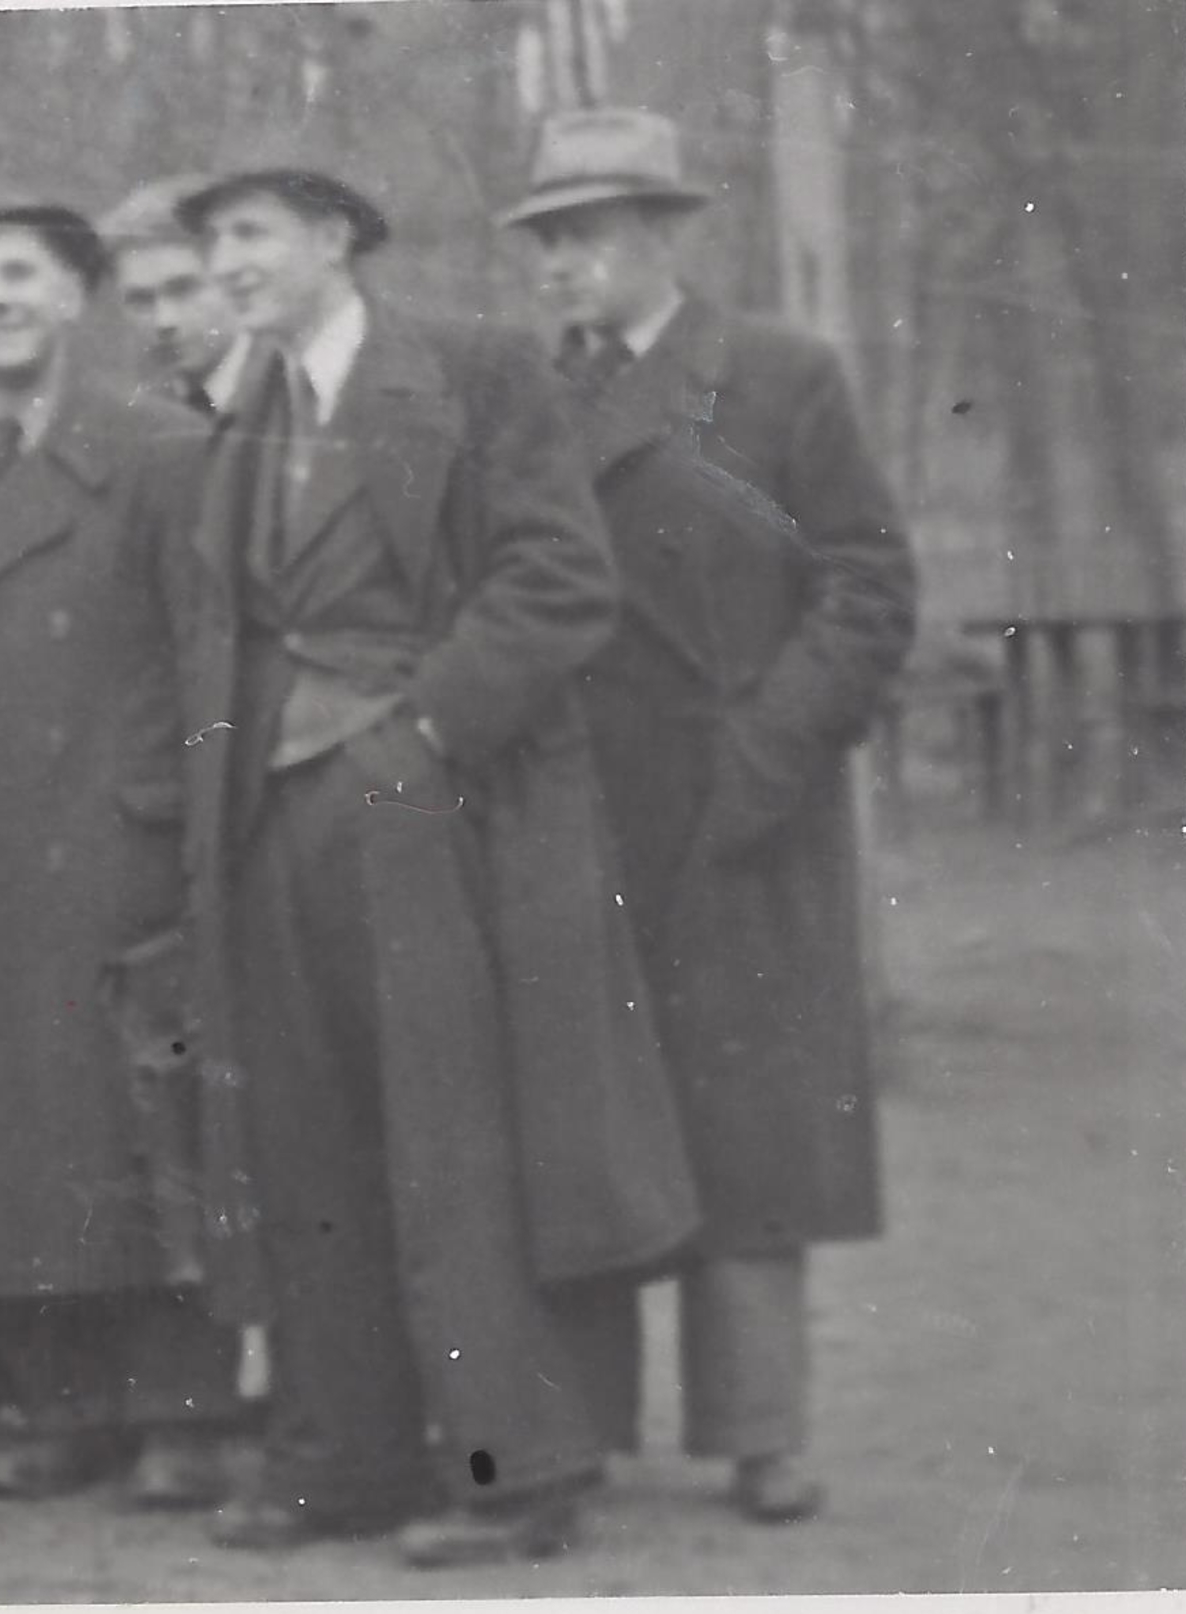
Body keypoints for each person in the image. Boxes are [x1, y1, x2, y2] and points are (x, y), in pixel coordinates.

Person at [162, 153, 702, 1563]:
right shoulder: (251, 405)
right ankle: (343, 1459)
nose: (227, 266)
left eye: (250, 234)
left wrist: (422, 740)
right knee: (304, 1143)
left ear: (335, 235)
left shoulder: (472, 370)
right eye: (211, 245)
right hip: (274, 813)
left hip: (430, 806)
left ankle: (516, 1471)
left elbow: (559, 580)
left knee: (455, 1140)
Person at [498, 107, 918, 1524]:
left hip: (745, 808)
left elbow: (868, 584)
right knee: (590, 1116)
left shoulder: (781, 376)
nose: (561, 264)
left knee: (751, 1128)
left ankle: (760, 1431)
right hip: (579, 803)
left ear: (662, 236)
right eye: (546, 240)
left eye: (587, 235)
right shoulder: (531, 396)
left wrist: (769, 750)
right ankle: (585, 1423)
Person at [0, 188, 240, 1508]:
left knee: (144, 1126)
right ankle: (50, 1403)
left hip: (118, 835)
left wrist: (185, 822)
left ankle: (180, 1408)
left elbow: (208, 651)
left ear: (73, 295)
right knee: (12, 1128)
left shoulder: (159, 447)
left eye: (21, 275)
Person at [96, 174, 248, 417]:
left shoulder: (294, 394)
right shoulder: (139, 415)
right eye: (140, 300)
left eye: (184, 290)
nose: (164, 321)